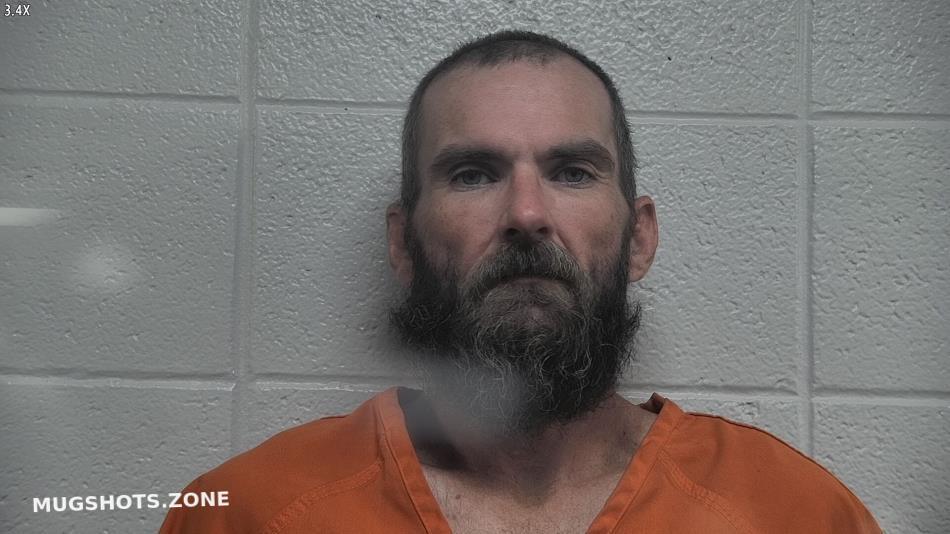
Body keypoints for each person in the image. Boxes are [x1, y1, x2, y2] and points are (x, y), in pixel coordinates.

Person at [160, 30, 881, 533]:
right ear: (402, 243)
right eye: (474, 174)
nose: (527, 214)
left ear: (639, 238)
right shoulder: (246, 515)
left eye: (573, 172)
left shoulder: (795, 516)